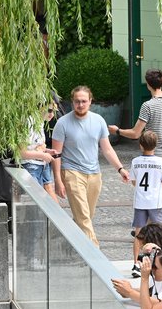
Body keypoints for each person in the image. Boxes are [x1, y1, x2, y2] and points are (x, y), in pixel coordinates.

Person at [51, 86, 130, 247]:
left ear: (90, 101)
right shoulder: (62, 123)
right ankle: (95, 253)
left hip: (94, 174)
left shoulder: (98, 120)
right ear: (72, 102)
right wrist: (58, 180)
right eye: (77, 101)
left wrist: (120, 169)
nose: (80, 105)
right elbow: (56, 154)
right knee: (84, 216)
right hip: (72, 172)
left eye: (83, 101)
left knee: (84, 216)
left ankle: (71, 247)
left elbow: (107, 149)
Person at [110, 68, 162, 166]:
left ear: (148, 84)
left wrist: (117, 131)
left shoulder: (147, 105)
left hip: (152, 156)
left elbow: (135, 133)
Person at [128, 131, 162, 278]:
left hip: (140, 201)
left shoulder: (136, 161)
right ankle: (159, 261)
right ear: (156, 145)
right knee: (159, 231)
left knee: (139, 232)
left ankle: (136, 263)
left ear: (141, 145)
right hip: (156, 201)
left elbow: (134, 181)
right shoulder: (160, 162)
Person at [111, 222, 162, 302]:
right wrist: (127, 290)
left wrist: (130, 292)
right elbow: (152, 291)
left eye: (146, 253)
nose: (144, 257)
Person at [20, 104, 58, 201]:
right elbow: (21, 152)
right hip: (31, 167)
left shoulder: (40, 122)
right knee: (38, 202)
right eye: (49, 110)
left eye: (54, 111)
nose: (52, 114)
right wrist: (42, 155)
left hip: (38, 166)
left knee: (41, 201)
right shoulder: (29, 123)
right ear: (40, 107)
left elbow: (33, 146)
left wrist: (47, 151)